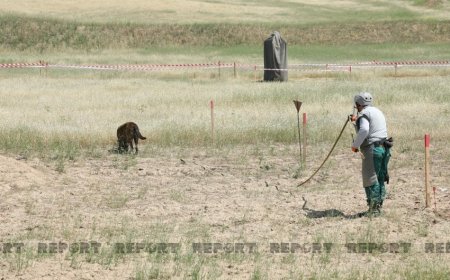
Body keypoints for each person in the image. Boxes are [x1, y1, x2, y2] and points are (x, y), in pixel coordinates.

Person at [351, 92, 391, 217]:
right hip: (384, 148)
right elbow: (372, 127)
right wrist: (355, 121)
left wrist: (355, 145)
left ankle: (373, 210)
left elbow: (364, 130)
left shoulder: (364, 114)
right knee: (379, 178)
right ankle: (378, 207)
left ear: (358, 104)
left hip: (372, 149)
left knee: (370, 179)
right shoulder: (377, 111)